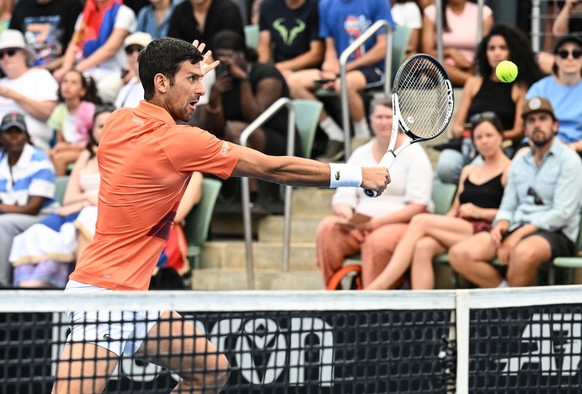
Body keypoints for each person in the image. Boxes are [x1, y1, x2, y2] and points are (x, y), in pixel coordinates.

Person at [51, 37, 389, 393]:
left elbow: (150, 89)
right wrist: (358, 174)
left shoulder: (117, 123)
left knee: (211, 370)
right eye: (192, 80)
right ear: (162, 82)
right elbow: (273, 168)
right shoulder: (181, 142)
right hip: (102, 296)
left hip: (134, 297)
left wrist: (186, 74)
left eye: (202, 79)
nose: (200, 90)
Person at [448, 97, 582, 288]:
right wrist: (502, 223)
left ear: (555, 125)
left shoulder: (569, 160)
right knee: (460, 254)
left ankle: (509, 310)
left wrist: (517, 235)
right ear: (525, 129)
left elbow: (562, 213)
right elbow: (508, 205)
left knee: (523, 253)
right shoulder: (519, 161)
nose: (537, 125)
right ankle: (507, 301)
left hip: (555, 232)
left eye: (543, 119)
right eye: (531, 121)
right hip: (517, 226)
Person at [366, 114, 511, 290]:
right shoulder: (468, 170)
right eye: (479, 137)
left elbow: (512, 211)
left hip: (487, 228)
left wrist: (478, 212)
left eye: (489, 135)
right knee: (423, 246)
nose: (484, 141)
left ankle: (380, 285)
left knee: (420, 221)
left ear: (501, 137)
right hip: (461, 225)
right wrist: (443, 224)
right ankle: (426, 312)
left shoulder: (509, 169)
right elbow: (455, 209)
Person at [315, 96, 432, 288]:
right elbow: (343, 197)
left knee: (376, 242)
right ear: (370, 120)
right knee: (327, 228)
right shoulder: (360, 153)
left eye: (389, 117)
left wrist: (377, 223)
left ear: (398, 120)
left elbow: (419, 205)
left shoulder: (414, 153)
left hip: (399, 223)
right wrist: (344, 211)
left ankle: (371, 301)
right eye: (379, 117)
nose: (384, 122)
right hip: (360, 222)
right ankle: (333, 292)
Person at [9, 106, 113, 288]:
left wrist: (87, 199)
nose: (104, 130)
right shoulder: (86, 155)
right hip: (77, 210)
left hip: (103, 214)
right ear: (92, 130)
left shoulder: (127, 156)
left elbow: (119, 198)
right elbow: (68, 199)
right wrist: (84, 201)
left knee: (75, 229)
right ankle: (26, 288)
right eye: (100, 126)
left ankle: (59, 285)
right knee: (34, 233)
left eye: (109, 125)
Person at [285, 0, 395, 162]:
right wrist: (330, 68)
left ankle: (361, 137)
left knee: (344, 84)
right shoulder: (326, 4)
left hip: (371, 68)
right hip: (340, 68)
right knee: (293, 82)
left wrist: (345, 68)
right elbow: (329, 48)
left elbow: (382, 48)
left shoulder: (377, 2)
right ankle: (335, 134)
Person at [435, 24, 544, 185]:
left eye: (502, 48)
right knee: (446, 165)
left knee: (479, 166)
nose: (496, 53)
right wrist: (467, 132)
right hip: (470, 143)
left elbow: (519, 131)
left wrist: (490, 136)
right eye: (491, 48)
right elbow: (456, 126)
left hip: (500, 147)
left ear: (512, 52)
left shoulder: (519, 87)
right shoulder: (473, 83)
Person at [0, 111, 57, 287]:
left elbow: (33, 207)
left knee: (3, 224)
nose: (15, 137)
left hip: (43, 217)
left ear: (27, 136)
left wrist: (3, 208)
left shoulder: (40, 160)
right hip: (13, 214)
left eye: (19, 132)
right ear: (2, 137)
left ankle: (2, 285)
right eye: (10, 132)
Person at [53, 0, 136, 103]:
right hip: (87, 70)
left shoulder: (124, 12)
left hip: (115, 71)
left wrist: (74, 71)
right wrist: (65, 69)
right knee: (57, 84)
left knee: (95, 89)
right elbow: (74, 44)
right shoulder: (85, 14)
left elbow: (109, 49)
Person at [0, 29, 58, 151]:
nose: (5, 58)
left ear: (24, 54)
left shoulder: (40, 75)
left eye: (10, 52)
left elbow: (47, 113)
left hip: (33, 146)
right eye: (1, 54)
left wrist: (12, 95)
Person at [525, 34, 582, 156]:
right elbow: (529, 125)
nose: (570, 58)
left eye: (576, 54)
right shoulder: (539, 89)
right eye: (564, 54)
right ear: (556, 58)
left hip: (576, 148)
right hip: (539, 144)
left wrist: (574, 147)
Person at [422, 0, 494, 87]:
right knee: (426, 63)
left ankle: (465, 80)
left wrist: (472, 64)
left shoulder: (484, 12)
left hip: (473, 65)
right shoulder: (432, 11)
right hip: (444, 65)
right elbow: (427, 50)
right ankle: (476, 83)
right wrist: (450, 52)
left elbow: (487, 47)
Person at [48, 69, 100, 176]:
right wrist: (59, 148)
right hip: (70, 148)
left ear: (82, 91)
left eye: (73, 82)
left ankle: (59, 190)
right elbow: (60, 141)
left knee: (60, 158)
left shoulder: (89, 109)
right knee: (47, 155)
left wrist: (66, 148)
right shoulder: (60, 110)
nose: (67, 86)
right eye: (65, 81)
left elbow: (94, 141)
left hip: (89, 149)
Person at [9, 0, 83, 71]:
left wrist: (55, 69)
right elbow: (12, 44)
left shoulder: (71, 4)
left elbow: (77, 46)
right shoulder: (22, 5)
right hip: (27, 71)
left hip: (61, 70)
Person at [257, 0, 323, 78]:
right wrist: (263, 71)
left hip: (309, 70)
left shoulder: (316, 6)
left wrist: (277, 68)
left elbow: (316, 54)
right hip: (279, 69)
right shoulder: (267, 6)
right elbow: (264, 46)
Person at [167, 0, 245, 53]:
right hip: (189, 67)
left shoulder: (229, 9)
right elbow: (172, 46)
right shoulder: (179, 11)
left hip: (225, 66)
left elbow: (233, 47)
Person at [114, 31, 152, 108]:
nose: (135, 54)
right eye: (130, 50)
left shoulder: (156, 87)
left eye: (140, 49)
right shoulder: (125, 89)